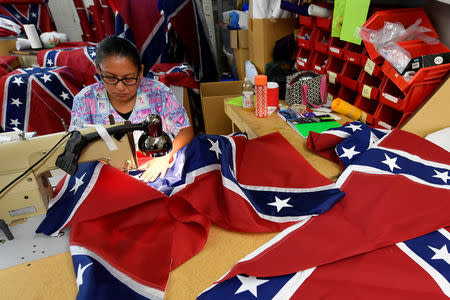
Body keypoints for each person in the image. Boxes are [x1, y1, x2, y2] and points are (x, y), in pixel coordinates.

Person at [69, 36, 194, 182]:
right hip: (109, 174)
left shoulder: (159, 93)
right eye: (110, 78)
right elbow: (76, 143)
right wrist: (100, 165)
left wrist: (165, 157)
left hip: (157, 166)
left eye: (128, 79)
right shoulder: (85, 100)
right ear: (98, 68)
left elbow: (185, 131)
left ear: (140, 71)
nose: (120, 87)